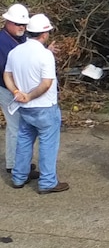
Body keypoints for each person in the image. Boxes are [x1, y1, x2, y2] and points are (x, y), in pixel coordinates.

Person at [3, 13, 67, 193]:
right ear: (44, 34)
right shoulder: (45, 55)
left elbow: (7, 75)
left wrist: (17, 92)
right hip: (45, 107)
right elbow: (46, 83)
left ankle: (18, 176)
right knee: (48, 143)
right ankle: (47, 182)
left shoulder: (15, 52)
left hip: (24, 107)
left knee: (24, 140)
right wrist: (30, 96)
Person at [1, 3, 37, 181]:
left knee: (15, 126)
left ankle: (14, 162)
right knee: (17, 126)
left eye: (23, 24)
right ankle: (17, 165)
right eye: (17, 24)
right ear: (7, 22)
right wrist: (16, 90)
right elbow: (5, 72)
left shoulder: (20, 38)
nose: (21, 27)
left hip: (15, 89)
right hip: (8, 89)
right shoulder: (2, 42)